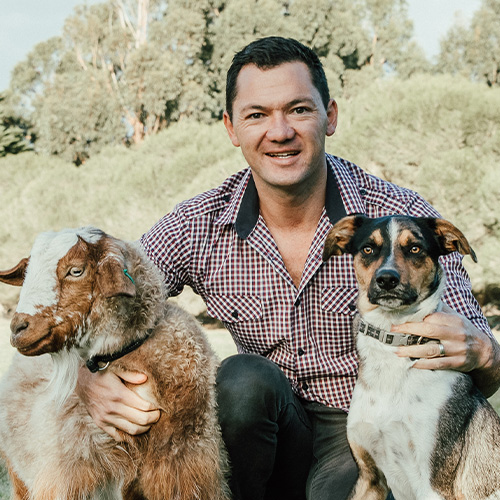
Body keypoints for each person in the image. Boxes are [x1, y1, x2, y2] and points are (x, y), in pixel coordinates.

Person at [77, 37, 500, 500]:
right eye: (257, 114)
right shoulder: (198, 223)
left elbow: (480, 360)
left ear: (330, 116)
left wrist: (486, 354)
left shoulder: (397, 218)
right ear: (231, 127)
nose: (279, 132)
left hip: (361, 426)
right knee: (241, 381)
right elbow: (98, 304)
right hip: (257, 428)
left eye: (298, 109)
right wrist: (87, 382)